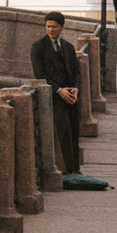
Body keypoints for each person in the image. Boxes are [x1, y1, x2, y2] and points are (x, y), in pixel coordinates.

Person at [31, 12, 85, 173]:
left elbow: (77, 71)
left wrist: (76, 88)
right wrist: (59, 90)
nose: (50, 30)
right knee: (64, 132)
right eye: (48, 26)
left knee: (74, 132)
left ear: (62, 27)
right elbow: (40, 74)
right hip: (54, 97)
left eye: (54, 27)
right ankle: (69, 170)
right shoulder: (38, 47)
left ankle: (76, 170)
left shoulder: (68, 47)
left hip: (71, 96)